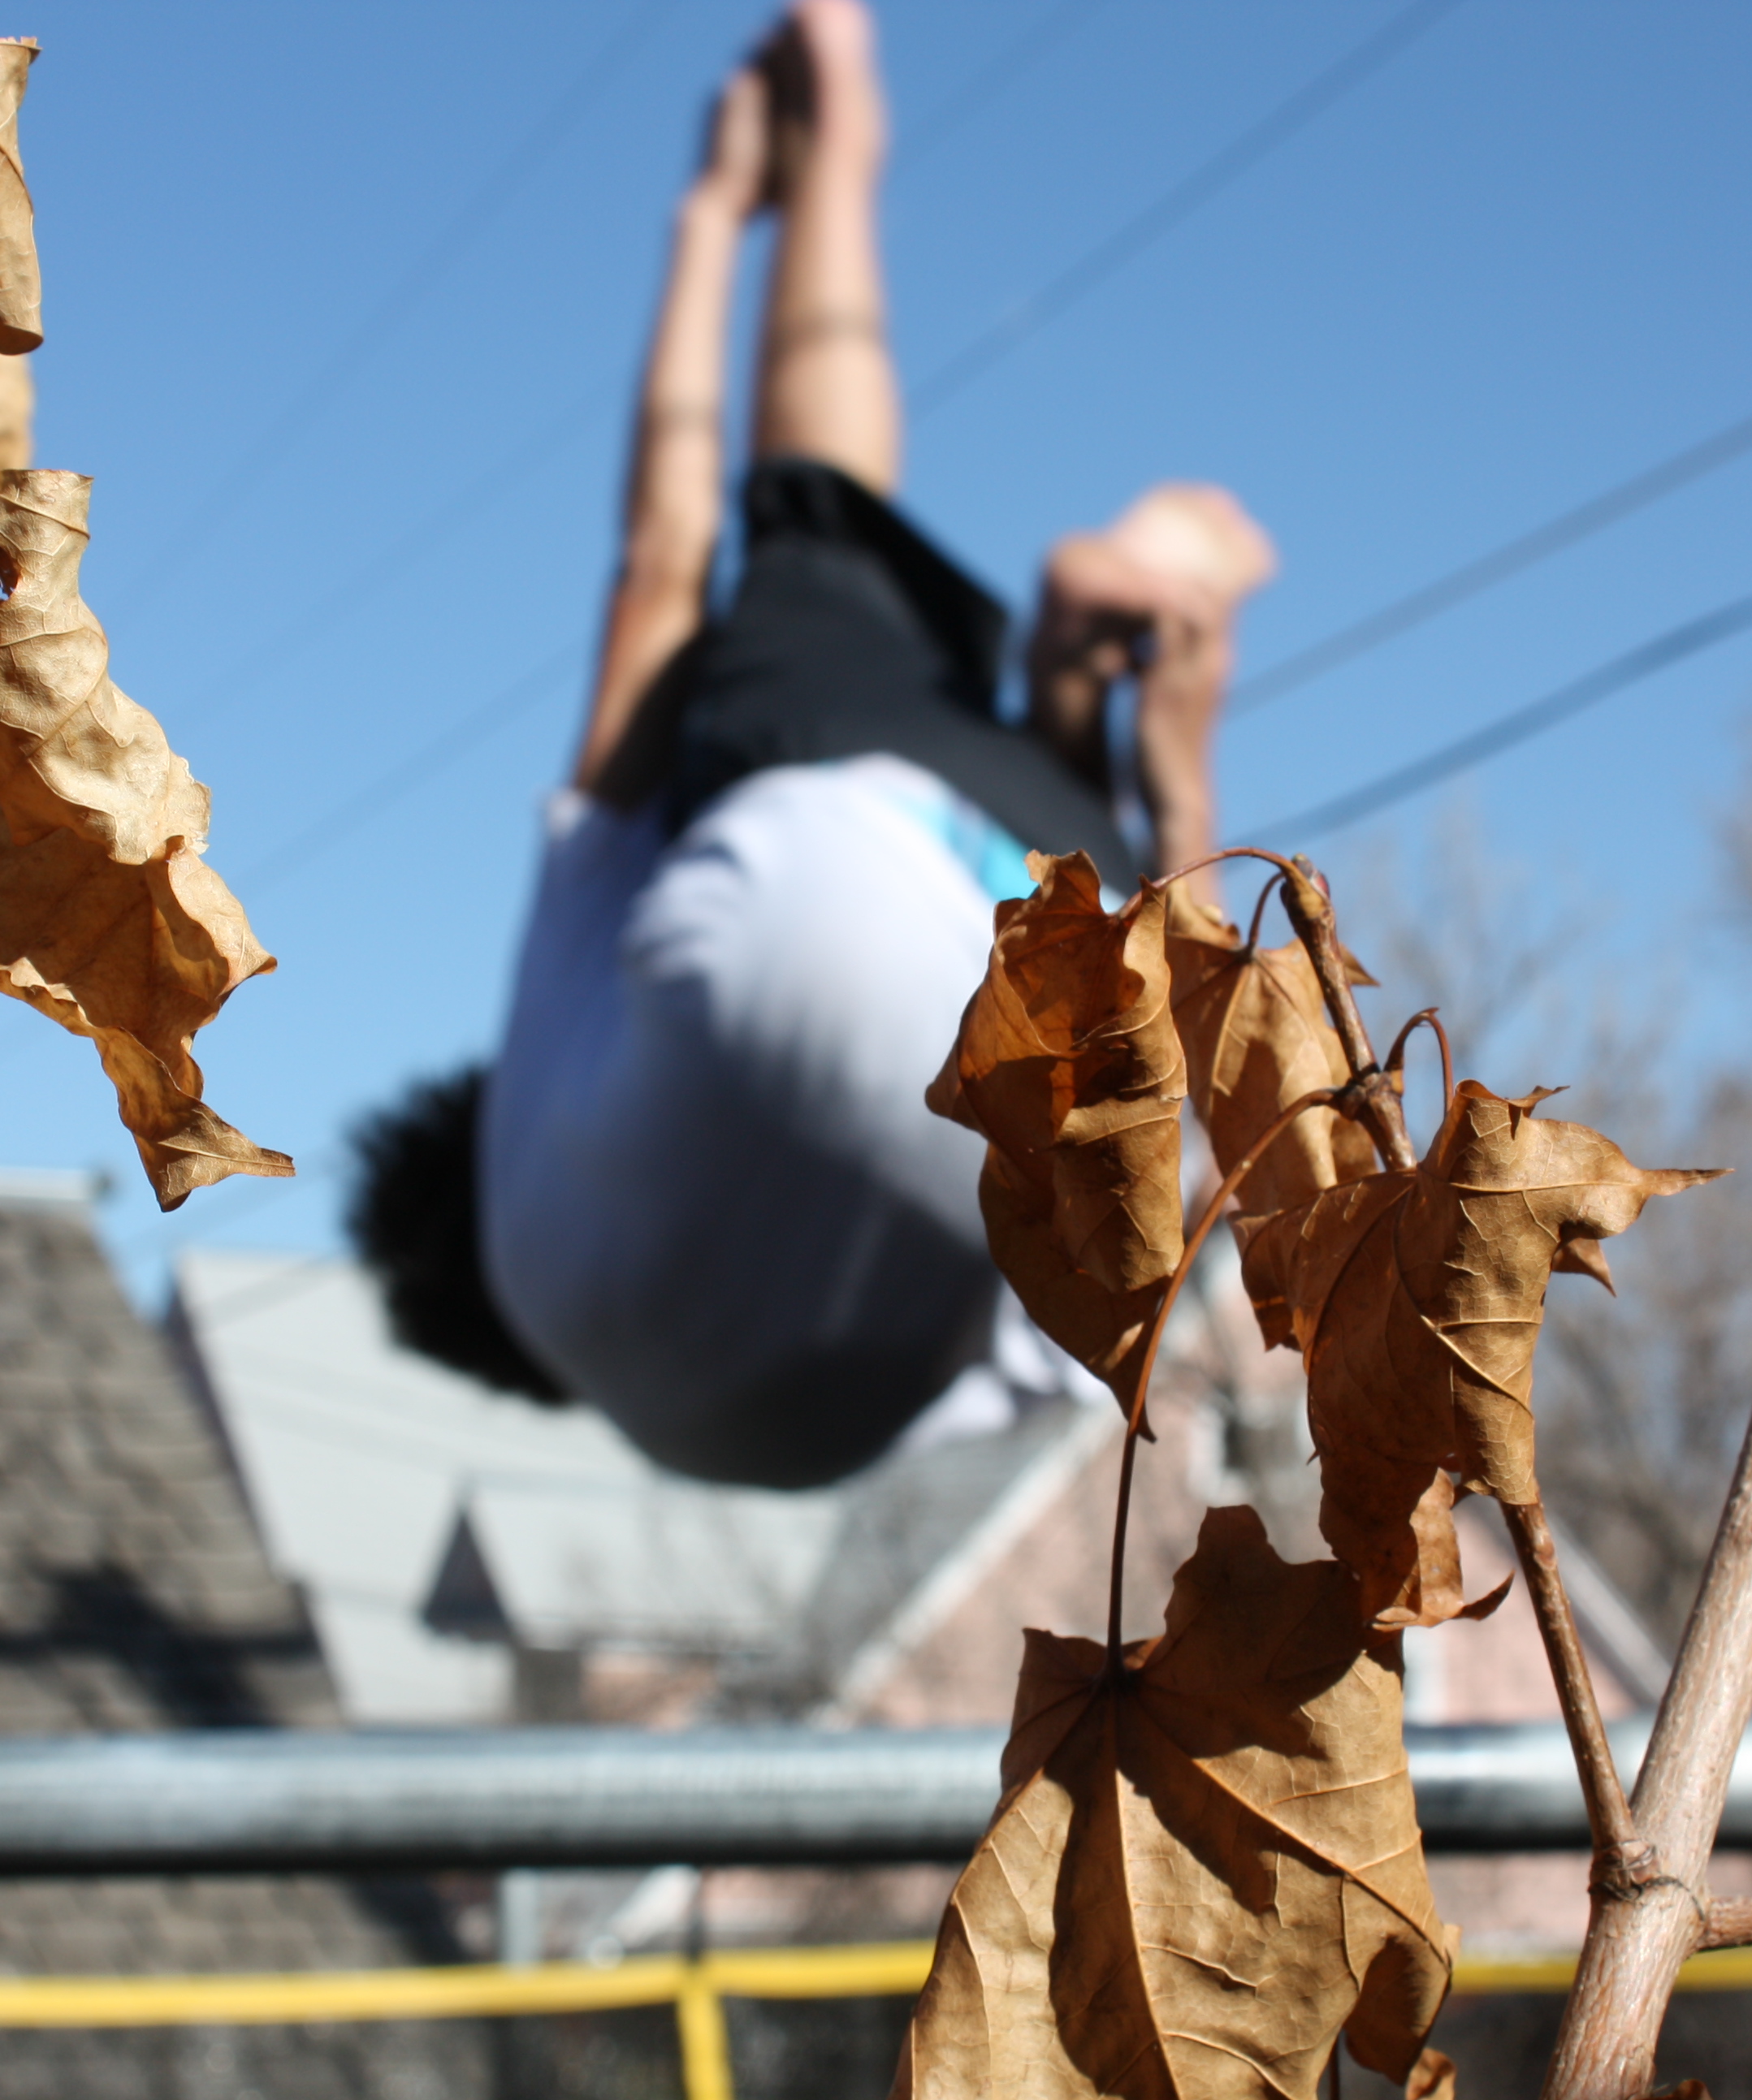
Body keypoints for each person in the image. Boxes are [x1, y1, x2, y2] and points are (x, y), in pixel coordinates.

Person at [349, 0, 1274, 1489]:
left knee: (1086, 1039)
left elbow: (1146, 1269)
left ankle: (1127, 703)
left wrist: (1189, 789)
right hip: (806, 886)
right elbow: (661, 569)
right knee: (814, 515)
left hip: (1016, 1022)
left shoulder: (750, 1432)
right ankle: (840, 148)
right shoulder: (537, 1172)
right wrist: (717, 211)